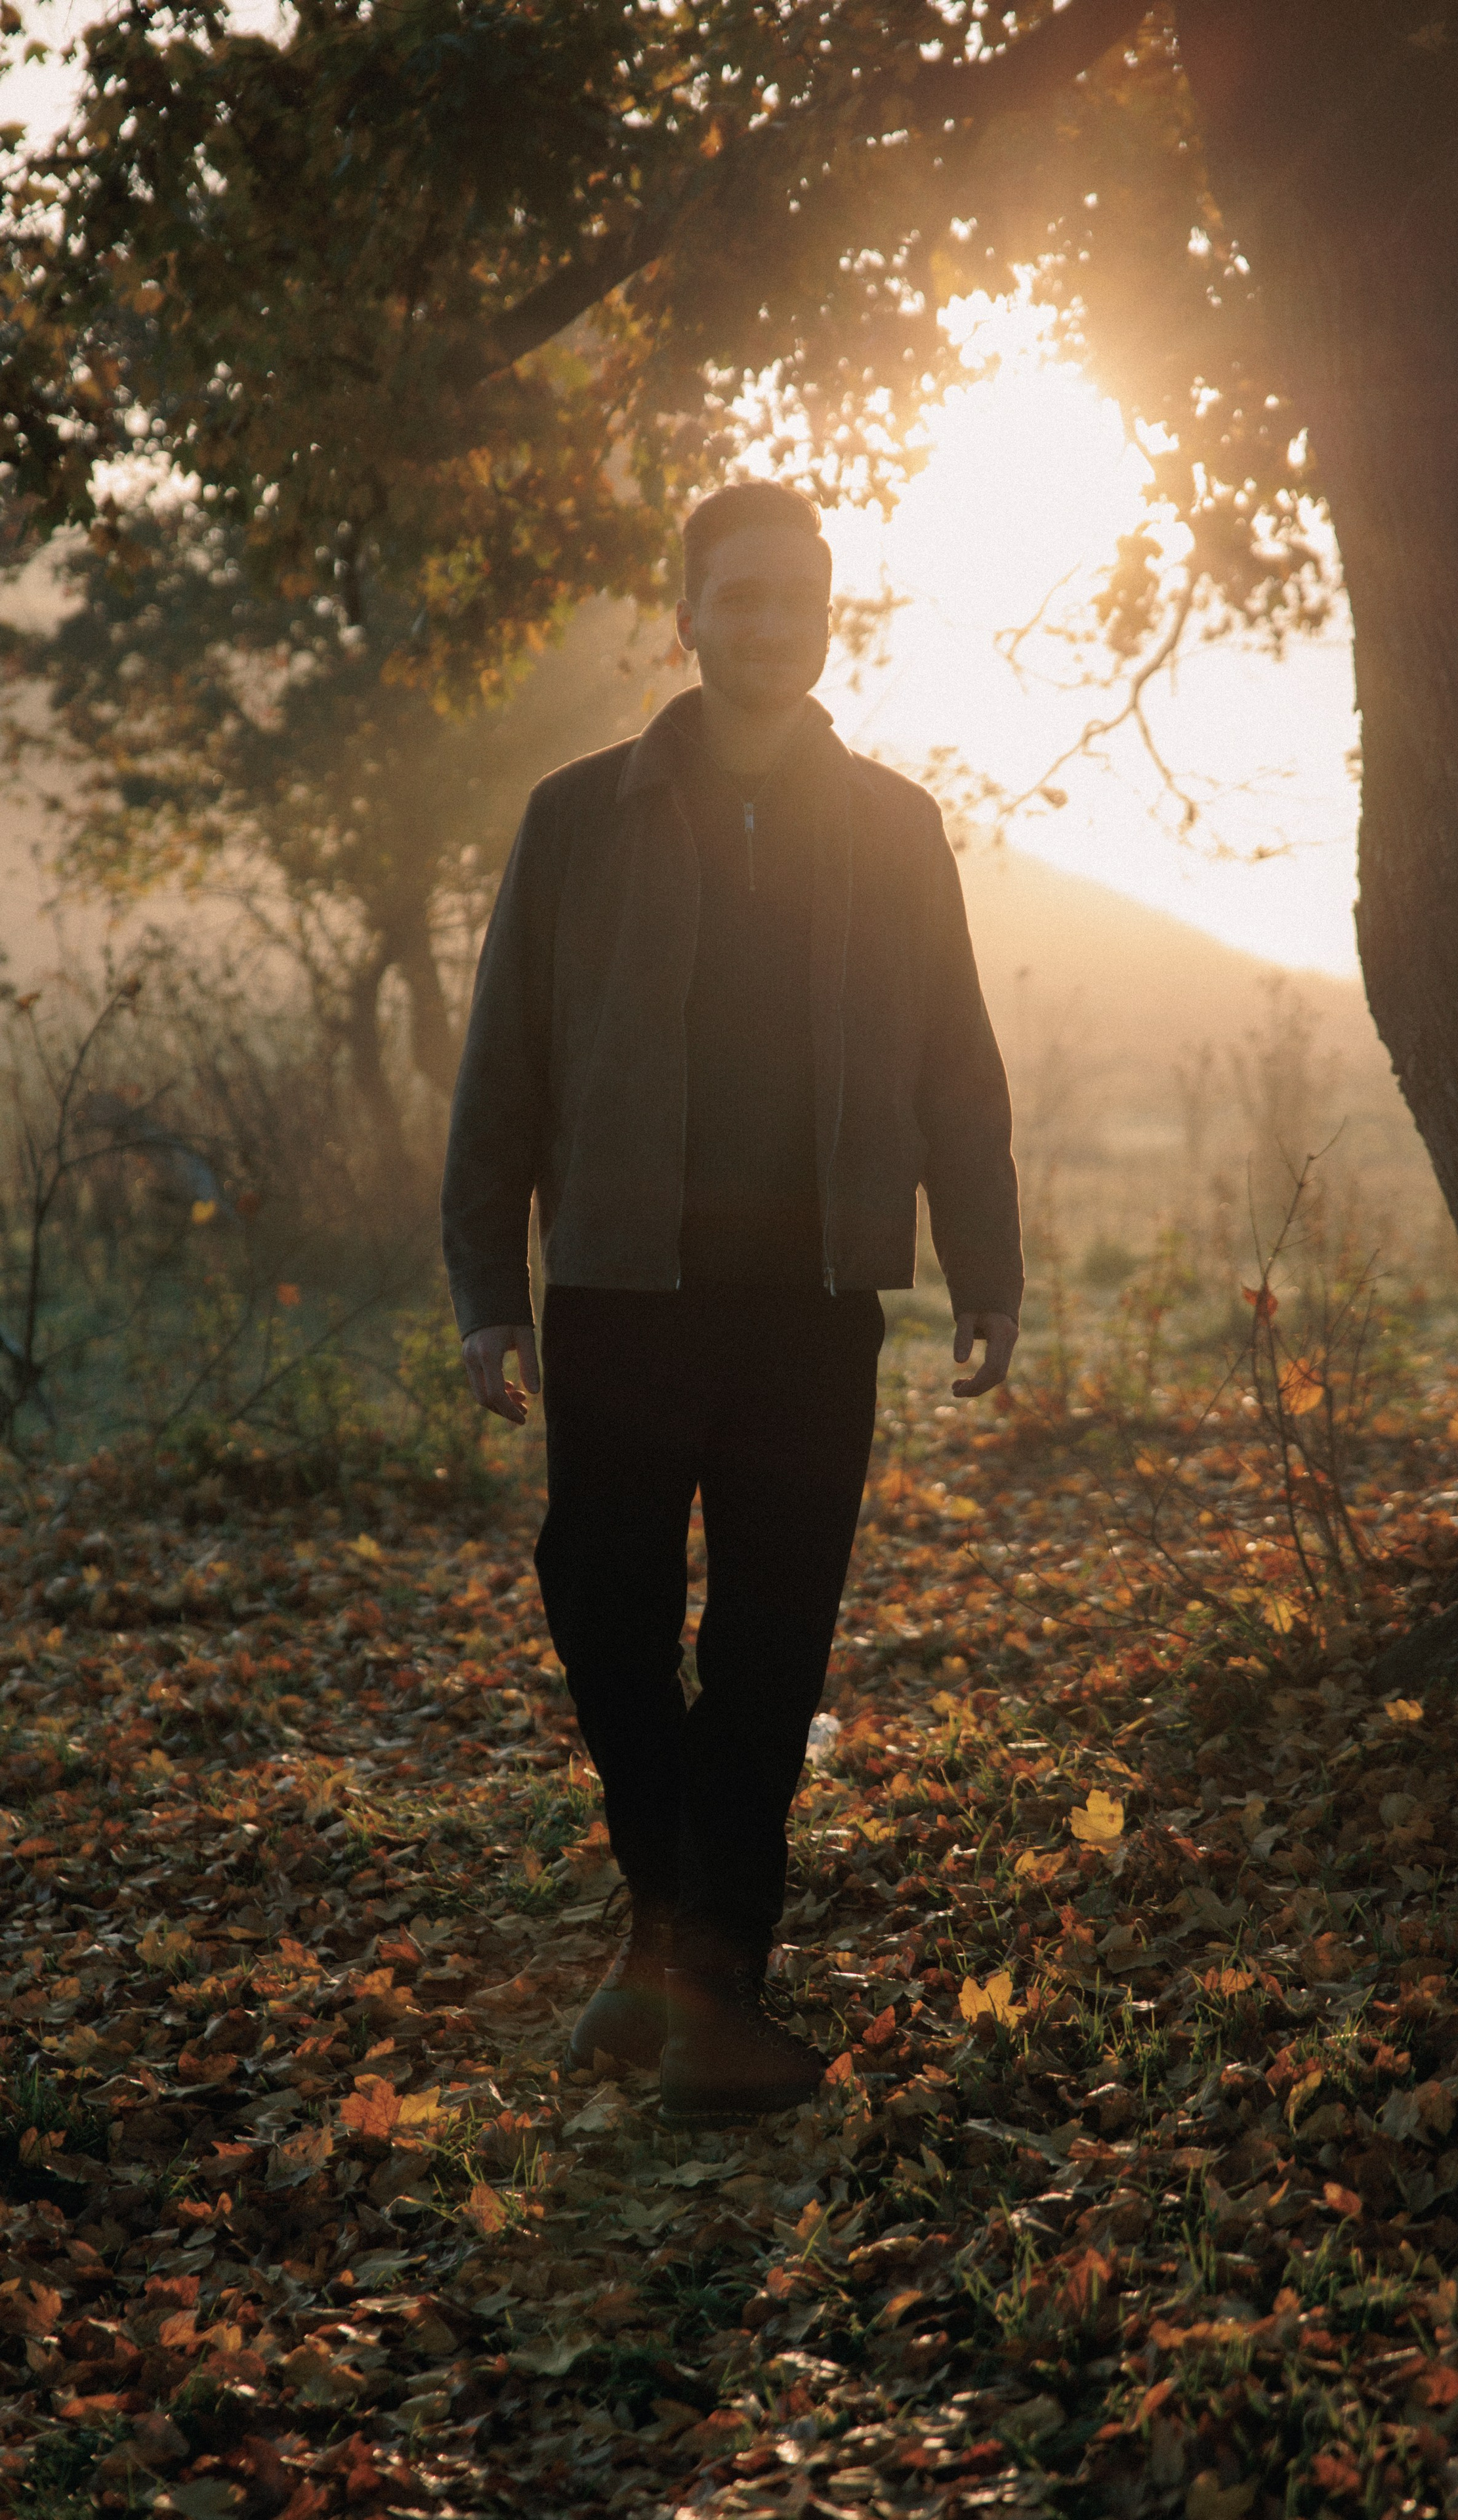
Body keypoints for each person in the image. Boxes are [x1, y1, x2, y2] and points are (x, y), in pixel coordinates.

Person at [442, 479, 1022, 2128]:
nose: (766, 627)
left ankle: (715, 1992)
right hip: (622, 1293)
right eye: (736, 598)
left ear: (825, 617)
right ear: (686, 616)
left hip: (811, 1306)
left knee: (771, 1647)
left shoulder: (896, 828)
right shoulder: (576, 818)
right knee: (604, 1612)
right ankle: (659, 1928)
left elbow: (952, 1067)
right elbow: (507, 1068)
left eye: (794, 599)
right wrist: (490, 1286)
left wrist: (983, 1263)